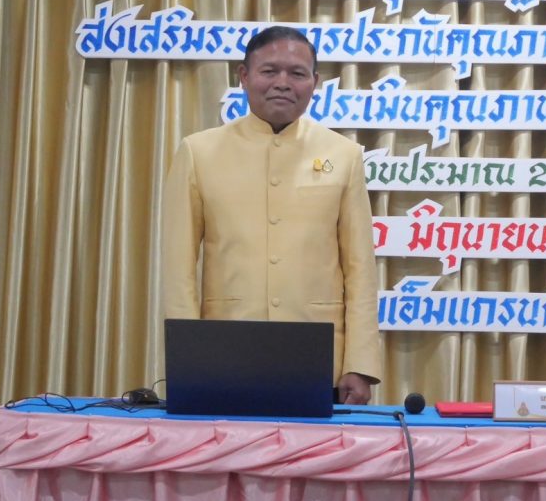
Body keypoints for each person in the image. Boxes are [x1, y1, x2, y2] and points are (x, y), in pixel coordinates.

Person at [161, 26, 381, 404]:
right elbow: (177, 270)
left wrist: (359, 363)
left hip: (319, 357)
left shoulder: (344, 155)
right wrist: (187, 358)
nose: (283, 83)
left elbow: (360, 269)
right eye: (269, 71)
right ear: (244, 76)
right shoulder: (199, 152)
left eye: (297, 73)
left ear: (315, 83)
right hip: (223, 353)